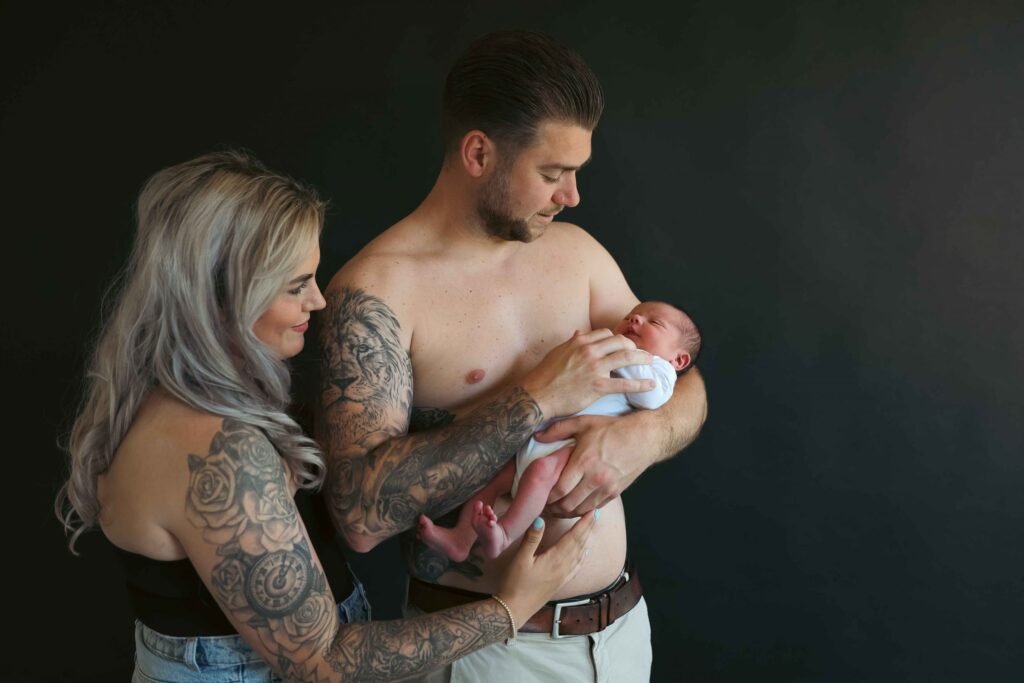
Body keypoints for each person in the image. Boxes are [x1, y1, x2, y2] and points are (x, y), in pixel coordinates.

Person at [54, 150, 605, 683]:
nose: (318, 302)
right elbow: (324, 661)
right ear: (223, 295)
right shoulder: (214, 447)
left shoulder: (194, 403)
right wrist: (512, 608)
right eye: (296, 286)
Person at [319, 30, 707, 683]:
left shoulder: (578, 253)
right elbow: (359, 515)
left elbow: (682, 377)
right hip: (490, 655)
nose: (571, 195)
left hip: (619, 636)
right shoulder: (377, 293)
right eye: (552, 174)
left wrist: (640, 439)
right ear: (478, 152)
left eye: (576, 173)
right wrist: (538, 397)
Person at [417, 302, 702, 561]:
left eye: (654, 323)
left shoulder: (660, 371)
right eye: (630, 316)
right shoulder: (612, 350)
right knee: (490, 483)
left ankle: (504, 534)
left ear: (679, 360)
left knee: (540, 473)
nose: (635, 319)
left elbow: (649, 397)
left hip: (571, 447)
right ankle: (462, 538)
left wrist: (620, 350)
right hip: (541, 438)